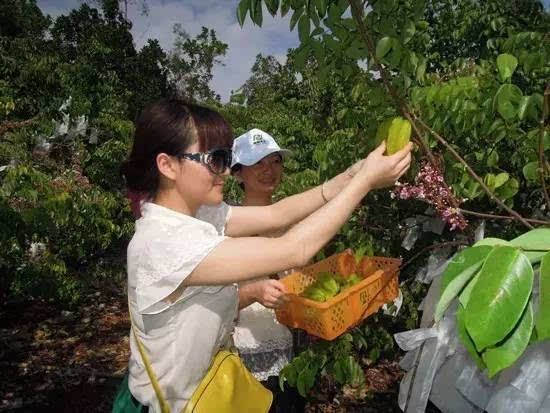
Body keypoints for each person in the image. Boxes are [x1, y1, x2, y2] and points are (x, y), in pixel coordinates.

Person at [120, 98, 412, 413]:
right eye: (215, 159)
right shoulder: (165, 242)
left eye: (227, 158)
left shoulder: (199, 216)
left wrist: (353, 174)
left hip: (208, 390)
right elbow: (293, 249)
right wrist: (365, 183)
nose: (227, 171)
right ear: (168, 166)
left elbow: (277, 215)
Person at [229, 129, 298, 410]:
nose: (268, 170)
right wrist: (253, 293)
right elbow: (205, 305)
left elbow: (302, 284)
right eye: (258, 163)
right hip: (241, 360)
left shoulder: (292, 224)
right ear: (237, 173)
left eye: (275, 161)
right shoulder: (226, 229)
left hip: (287, 360)